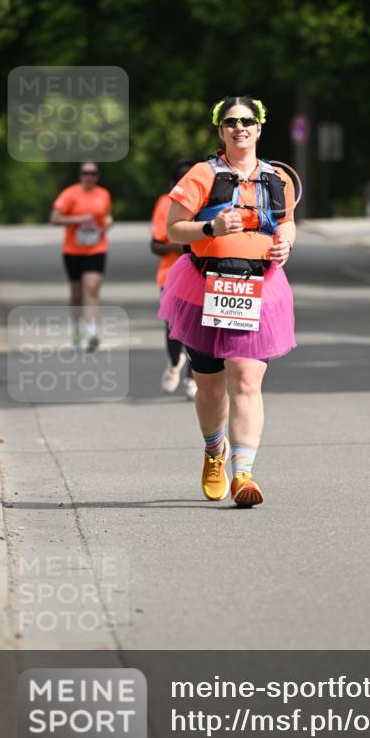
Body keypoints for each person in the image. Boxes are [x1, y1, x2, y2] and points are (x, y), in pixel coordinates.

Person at [159, 96, 296, 508]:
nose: (240, 128)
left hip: (259, 289)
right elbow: (173, 229)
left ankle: (243, 475)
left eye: (247, 121)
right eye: (232, 122)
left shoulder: (277, 178)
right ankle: (214, 449)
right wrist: (210, 227)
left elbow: (287, 223)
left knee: (247, 380)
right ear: (221, 130)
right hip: (204, 289)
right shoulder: (203, 174)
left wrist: (285, 244)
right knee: (210, 388)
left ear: (259, 127)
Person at [50, 162, 113, 351]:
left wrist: (108, 223)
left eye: (93, 173)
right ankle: (77, 328)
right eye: (86, 173)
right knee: (76, 293)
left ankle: (92, 330)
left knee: (91, 288)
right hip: (73, 250)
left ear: (98, 176)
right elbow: (54, 218)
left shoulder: (103, 194)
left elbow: (107, 216)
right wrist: (78, 219)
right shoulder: (70, 194)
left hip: (96, 248)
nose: (89, 176)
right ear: (80, 175)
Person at [150, 158, 197, 399]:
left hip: (201, 274)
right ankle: (174, 361)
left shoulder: (209, 199)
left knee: (197, 327)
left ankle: (191, 377)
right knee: (173, 326)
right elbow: (156, 244)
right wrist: (179, 244)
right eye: (181, 177)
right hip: (170, 275)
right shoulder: (165, 203)